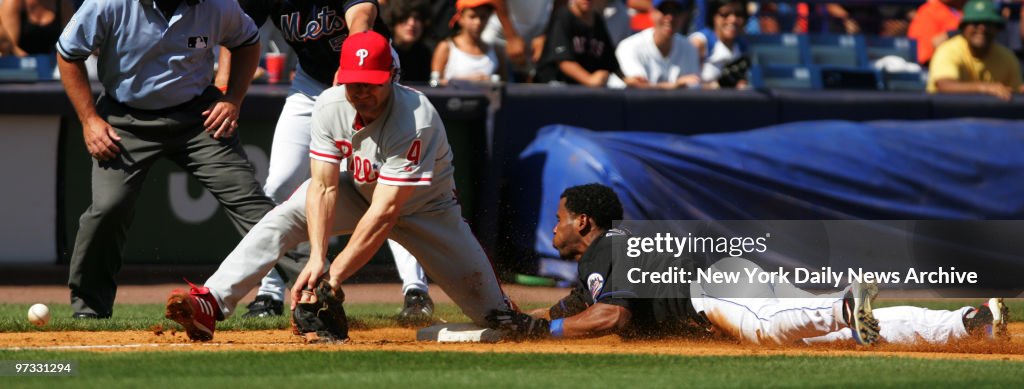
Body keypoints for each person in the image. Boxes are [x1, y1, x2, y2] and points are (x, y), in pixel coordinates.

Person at [165, 31, 513, 341]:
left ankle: (521, 316)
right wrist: (317, 259)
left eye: (371, 83)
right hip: (360, 193)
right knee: (283, 217)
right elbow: (323, 187)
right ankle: (212, 301)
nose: (361, 92)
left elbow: (386, 212)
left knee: (498, 319)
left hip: (427, 212)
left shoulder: (416, 118)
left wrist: (332, 280)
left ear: (391, 78)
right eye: (353, 82)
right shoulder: (331, 104)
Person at [488, 183, 1009, 345]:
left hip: (714, 287)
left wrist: (540, 332)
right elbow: (582, 305)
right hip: (731, 271)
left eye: (558, 218)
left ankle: (843, 306)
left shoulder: (608, 247)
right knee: (839, 338)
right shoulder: (612, 252)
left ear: (583, 223)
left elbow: (611, 317)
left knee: (767, 330)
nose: (551, 227)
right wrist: (525, 317)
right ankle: (968, 322)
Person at [216, 0, 436, 322]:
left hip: (369, 73)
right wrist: (225, 87)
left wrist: (352, 65)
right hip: (309, 82)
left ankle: (415, 290)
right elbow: (236, 32)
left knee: (381, 185)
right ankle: (270, 290)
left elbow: (362, 16)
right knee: (279, 183)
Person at [56, 0, 275, 319]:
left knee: (250, 202)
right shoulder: (109, 3)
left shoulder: (217, 5)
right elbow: (68, 54)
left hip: (198, 117)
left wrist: (233, 100)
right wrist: (89, 119)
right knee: (108, 207)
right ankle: (90, 307)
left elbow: (247, 42)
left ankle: (313, 289)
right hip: (125, 119)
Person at [928, 0, 1022, 101]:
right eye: (975, 23)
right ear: (963, 28)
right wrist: (985, 88)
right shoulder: (948, 50)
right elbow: (944, 85)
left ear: (997, 28)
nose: (982, 28)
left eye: (988, 23)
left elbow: (1016, 90)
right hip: (945, 114)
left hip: (990, 115)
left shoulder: (1007, 57)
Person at [612, 0, 701, 89]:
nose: (670, 17)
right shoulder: (629, 47)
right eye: (664, 10)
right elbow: (638, 89)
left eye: (676, 11)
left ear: (684, 16)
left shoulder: (689, 48)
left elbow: (694, 87)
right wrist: (674, 86)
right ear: (652, 12)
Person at [535, 0, 620, 87]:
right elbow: (563, 60)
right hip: (554, 88)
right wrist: (589, 80)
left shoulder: (598, 22)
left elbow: (611, 62)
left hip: (582, 90)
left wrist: (625, 79)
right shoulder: (563, 16)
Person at [431, 0, 503, 85]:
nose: (478, 22)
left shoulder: (497, 50)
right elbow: (435, 83)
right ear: (460, 18)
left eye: (483, 17)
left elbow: (504, 84)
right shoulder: (446, 47)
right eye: (472, 16)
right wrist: (467, 82)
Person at [689, 0, 749, 88]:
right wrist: (717, 85)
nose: (733, 19)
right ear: (714, 16)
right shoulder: (699, 42)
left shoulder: (743, 45)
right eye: (725, 14)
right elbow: (686, 85)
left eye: (739, 14)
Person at [384, 0, 433, 83]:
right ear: (394, 20)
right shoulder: (383, 50)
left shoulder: (424, 54)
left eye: (417, 18)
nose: (412, 23)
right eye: (405, 17)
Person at [0, 0, 73, 56]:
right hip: (18, 67)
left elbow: (70, 42)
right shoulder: (12, 2)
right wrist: (32, 62)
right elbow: (9, 47)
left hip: (55, 65)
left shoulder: (64, 4)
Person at [908, 0, 967, 65]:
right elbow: (925, 57)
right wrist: (954, 34)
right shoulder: (929, 11)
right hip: (941, 66)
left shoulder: (966, 8)